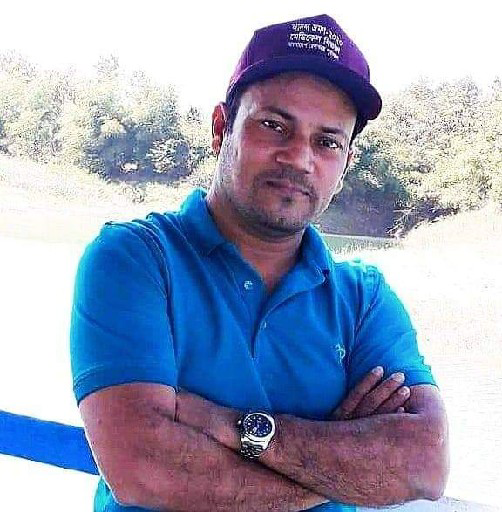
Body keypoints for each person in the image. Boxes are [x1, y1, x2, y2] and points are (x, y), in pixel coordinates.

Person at [70, 14, 449, 512]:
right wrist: (341, 468)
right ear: (221, 128)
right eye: (274, 125)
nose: (298, 158)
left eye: (327, 142)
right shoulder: (136, 260)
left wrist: (233, 427)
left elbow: (424, 463)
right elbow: (144, 470)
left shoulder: (364, 300)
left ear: (344, 165)